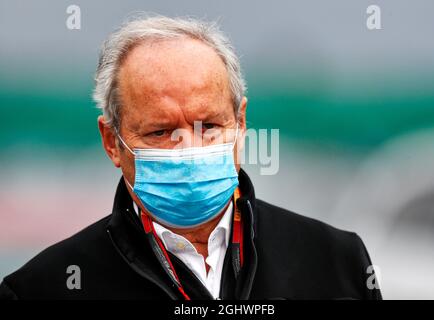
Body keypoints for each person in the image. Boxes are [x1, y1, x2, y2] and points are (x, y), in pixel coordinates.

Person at [0, 15, 381, 300]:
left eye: (209, 125)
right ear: (112, 141)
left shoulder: (337, 262)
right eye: (160, 132)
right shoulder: (42, 290)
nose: (189, 150)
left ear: (241, 121)